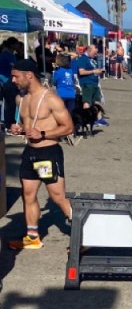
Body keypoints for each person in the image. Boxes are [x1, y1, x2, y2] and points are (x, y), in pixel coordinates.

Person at [7, 58, 74, 250]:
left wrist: (43, 134)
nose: (13, 80)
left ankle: (84, 236)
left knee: (57, 197)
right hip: (30, 152)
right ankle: (32, 237)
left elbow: (68, 127)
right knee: (28, 194)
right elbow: (29, 124)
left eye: (16, 76)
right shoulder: (21, 98)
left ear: (29, 75)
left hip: (48, 153)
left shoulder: (50, 99)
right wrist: (20, 128)